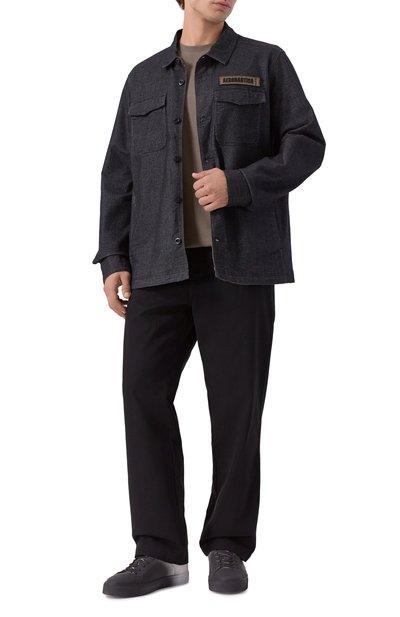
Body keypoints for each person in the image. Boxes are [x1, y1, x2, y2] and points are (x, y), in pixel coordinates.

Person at [92, 0, 326, 597]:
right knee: (143, 395)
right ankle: (159, 553)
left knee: (236, 407)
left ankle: (227, 546)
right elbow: (118, 172)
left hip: (239, 267)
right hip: (157, 265)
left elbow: (306, 143)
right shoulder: (143, 77)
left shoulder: (265, 62)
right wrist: (114, 257)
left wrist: (239, 184)